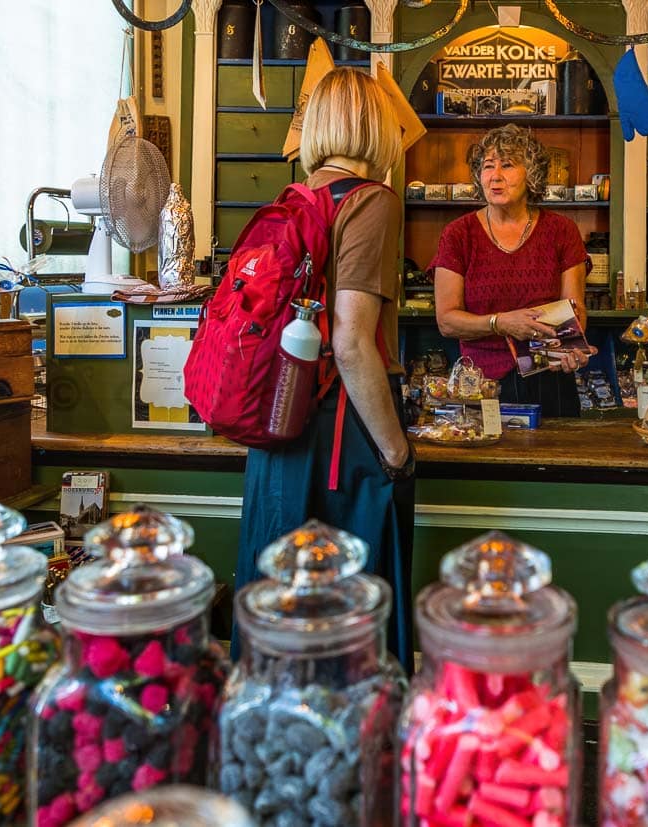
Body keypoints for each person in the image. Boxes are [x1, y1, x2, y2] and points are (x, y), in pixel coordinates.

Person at [236, 67, 415, 666]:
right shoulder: (372, 203)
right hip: (338, 440)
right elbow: (353, 343)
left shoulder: (293, 201)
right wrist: (396, 452)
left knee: (280, 619)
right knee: (347, 632)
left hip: (276, 431)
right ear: (377, 128)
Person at [431, 124, 592, 417]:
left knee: (557, 459)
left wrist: (571, 348)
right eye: (488, 166)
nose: (495, 176)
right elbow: (447, 321)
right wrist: (500, 323)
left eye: (507, 165)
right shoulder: (458, 234)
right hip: (481, 383)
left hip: (550, 376)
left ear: (531, 174)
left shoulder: (561, 231)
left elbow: (575, 308)